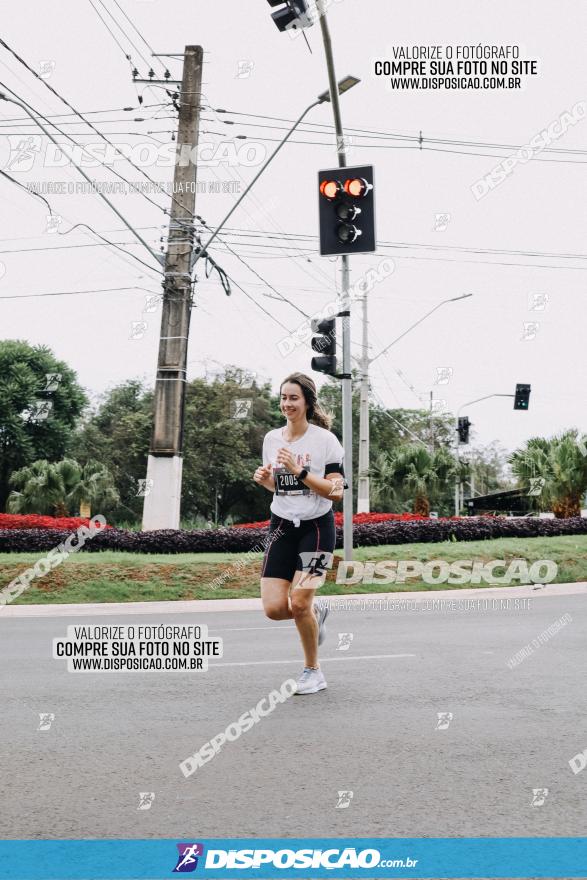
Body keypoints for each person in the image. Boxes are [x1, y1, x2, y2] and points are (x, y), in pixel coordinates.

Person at [253, 372, 345, 695]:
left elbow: (336, 492)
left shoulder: (325, 441)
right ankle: (315, 614)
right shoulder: (271, 440)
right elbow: (280, 488)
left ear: (307, 402)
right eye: (283, 398)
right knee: (275, 608)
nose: (287, 403)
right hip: (281, 527)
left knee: (300, 603)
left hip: (317, 529)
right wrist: (265, 479)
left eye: (293, 398)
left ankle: (313, 671)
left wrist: (299, 470)